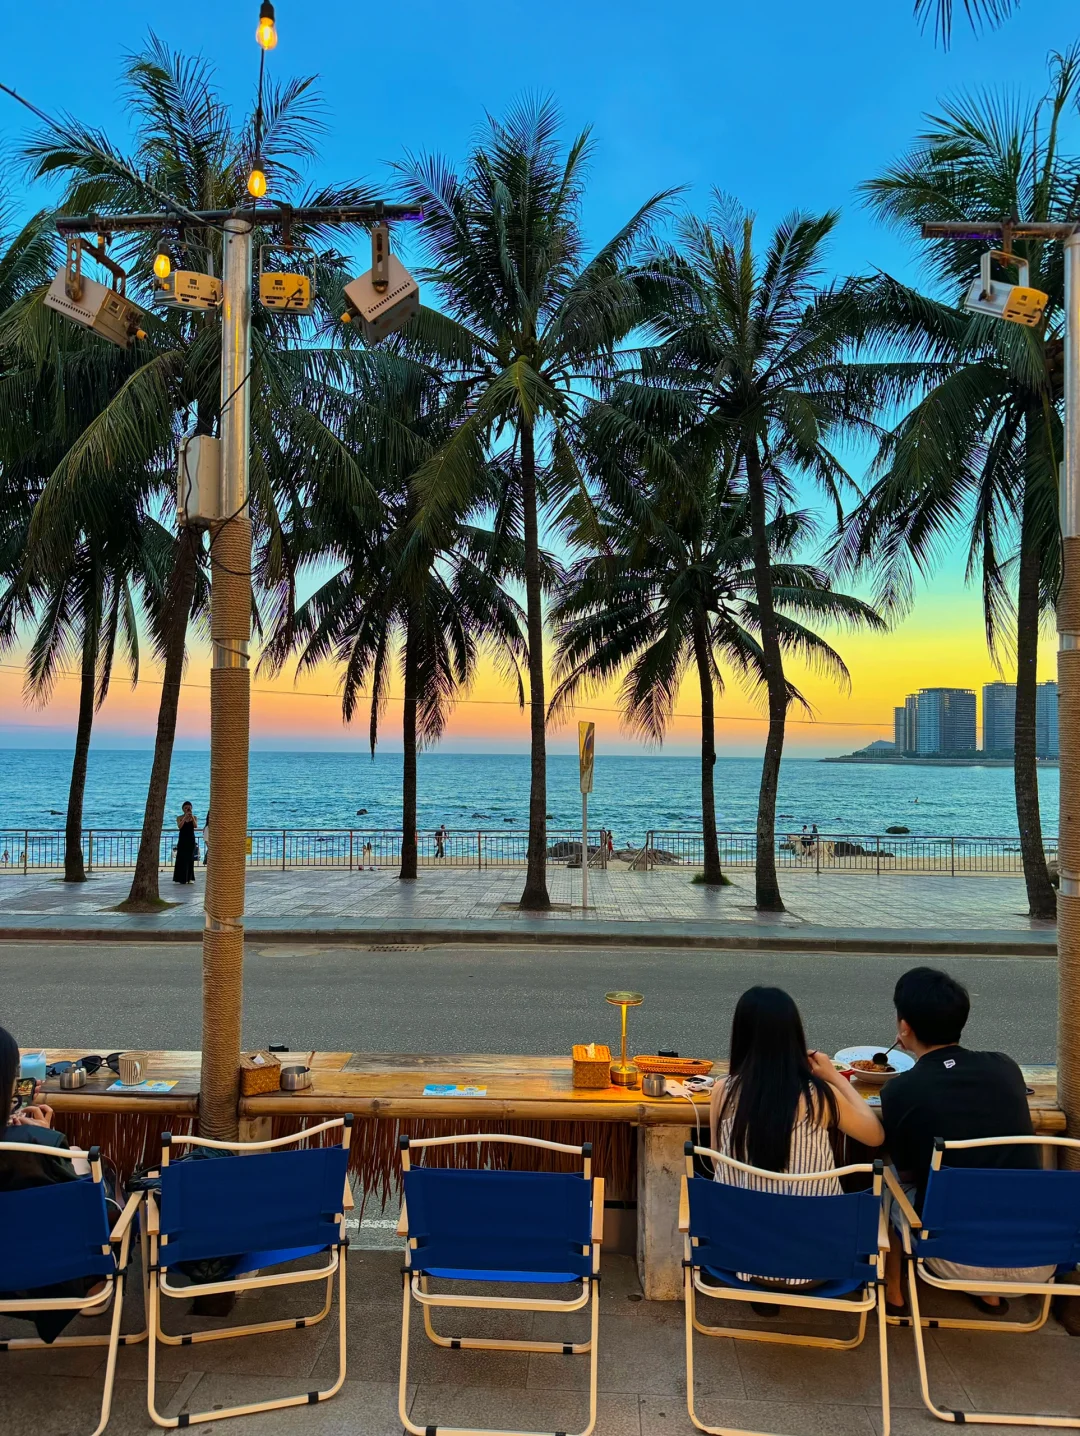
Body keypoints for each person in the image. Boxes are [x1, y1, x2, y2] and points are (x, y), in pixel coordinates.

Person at [880, 966, 1053, 1313]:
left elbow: (909, 1172)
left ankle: (893, 1293)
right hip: (1038, 1257)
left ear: (904, 1027)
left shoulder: (900, 1090)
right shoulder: (1005, 1067)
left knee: (887, 1179)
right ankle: (990, 1295)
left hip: (951, 1257)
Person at [709, 988, 883, 1295]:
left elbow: (717, 1161)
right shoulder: (819, 1097)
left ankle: (766, 1293)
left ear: (741, 1036)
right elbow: (875, 1134)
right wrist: (836, 1078)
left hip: (740, 1259)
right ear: (795, 1038)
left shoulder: (723, 1091)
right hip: (818, 1266)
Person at [0, 1026, 103, 1341]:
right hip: (45, 1270)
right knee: (96, 1186)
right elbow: (71, 1204)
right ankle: (95, 1288)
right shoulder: (37, 1143)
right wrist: (45, 1138)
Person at [172, 800, 198, 884]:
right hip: (182, 840)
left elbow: (195, 826)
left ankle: (190, 878)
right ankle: (180, 878)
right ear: (183, 809)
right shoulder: (179, 817)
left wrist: (192, 817)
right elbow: (179, 826)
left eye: (189, 808)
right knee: (181, 858)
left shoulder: (194, 817)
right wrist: (185, 818)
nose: (187, 809)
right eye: (186, 808)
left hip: (191, 840)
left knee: (190, 859)